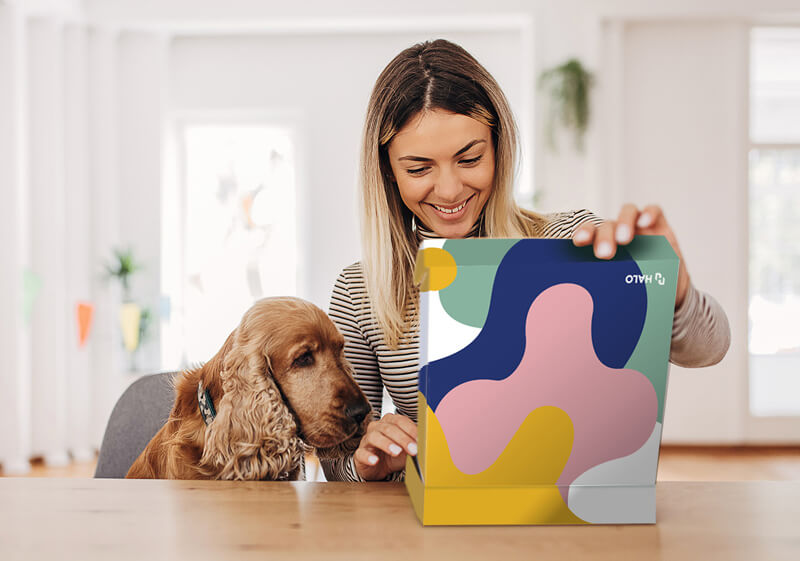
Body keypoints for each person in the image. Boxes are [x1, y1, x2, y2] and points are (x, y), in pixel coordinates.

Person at [320, 39, 730, 482]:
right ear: (387, 172)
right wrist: (369, 462)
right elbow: (337, 462)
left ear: (499, 146)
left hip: (567, 512)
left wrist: (671, 288)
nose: (450, 189)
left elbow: (710, 348)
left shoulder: (569, 241)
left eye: (470, 158)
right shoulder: (361, 289)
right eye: (419, 169)